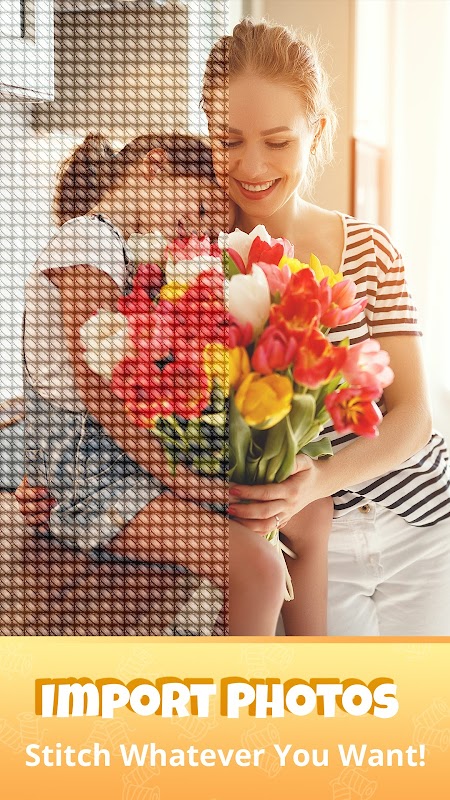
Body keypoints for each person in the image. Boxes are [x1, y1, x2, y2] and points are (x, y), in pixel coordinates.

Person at [200, 18, 450, 636]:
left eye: (277, 141)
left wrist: (318, 480)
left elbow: (414, 416)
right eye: (228, 139)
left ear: (315, 131)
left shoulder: (370, 249)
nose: (251, 164)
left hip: (425, 525)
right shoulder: (192, 264)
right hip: (316, 548)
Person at [16, 131, 287, 636]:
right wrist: (182, 480)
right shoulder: (87, 240)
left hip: (113, 462)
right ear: (154, 166)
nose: (197, 229)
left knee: (270, 519)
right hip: (93, 476)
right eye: (200, 209)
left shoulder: (118, 249)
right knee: (260, 569)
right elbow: (98, 391)